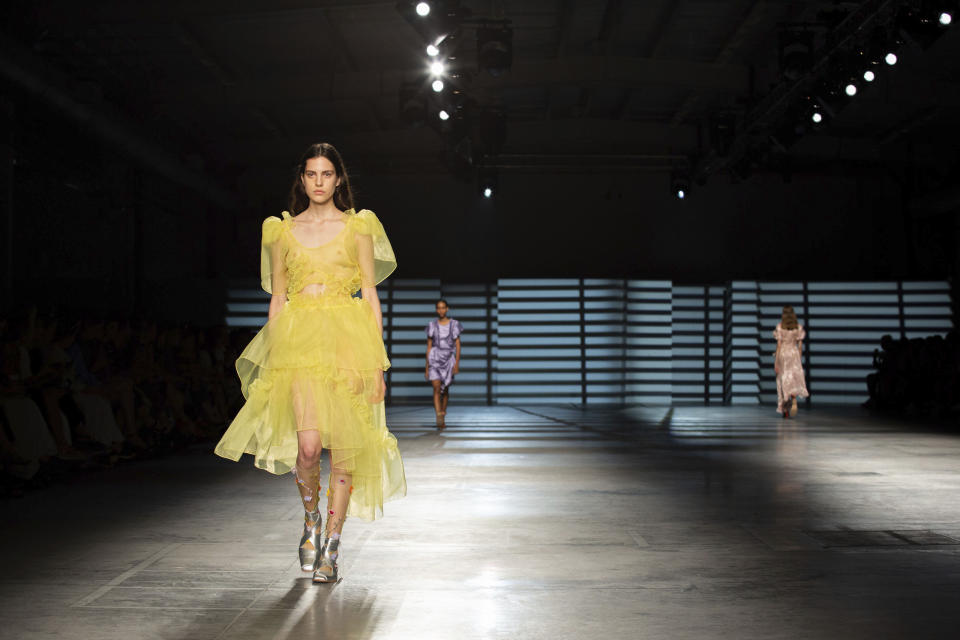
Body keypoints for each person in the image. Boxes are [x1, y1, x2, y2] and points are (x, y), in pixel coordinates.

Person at [215, 143, 406, 584]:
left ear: (338, 179)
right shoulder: (280, 232)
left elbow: (371, 295)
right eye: (311, 174)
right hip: (300, 344)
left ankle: (332, 548)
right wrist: (274, 359)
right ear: (301, 180)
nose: (319, 182)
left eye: (326, 174)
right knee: (307, 447)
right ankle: (311, 519)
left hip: (348, 342)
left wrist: (377, 363)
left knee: (345, 449)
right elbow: (278, 298)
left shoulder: (358, 226)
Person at [425, 299, 461, 430]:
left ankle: (443, 415)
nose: (441, 310)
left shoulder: (454, 324)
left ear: (447, 308)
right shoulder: (432, 325)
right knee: (436, 387)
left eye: (443, 307)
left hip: (448, 360)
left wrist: (456, 364)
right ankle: (438, 415)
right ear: (436, 310)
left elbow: (458, 345)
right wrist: (427, 367)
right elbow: (428, 347)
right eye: (438, 308)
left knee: (445, 389)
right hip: (434, 358)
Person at [774, 305, 809, 418]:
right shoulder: (798, 327)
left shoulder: (780, 327)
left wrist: (776, 362)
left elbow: (779, 346)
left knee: (783, 378)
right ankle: (793, 397)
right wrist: (799, 358)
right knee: (793, 377)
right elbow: (800, 345)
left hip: (783, 354)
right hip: (794, 353)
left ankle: (785, 407)